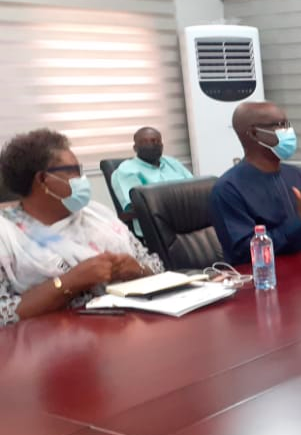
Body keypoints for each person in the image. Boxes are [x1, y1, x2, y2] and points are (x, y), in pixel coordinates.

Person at [0, 129, 164, 326]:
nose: (82, 179)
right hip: (51, 344)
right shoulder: (7, 234)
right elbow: (4, 314)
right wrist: (71, 282)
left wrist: (137, 269)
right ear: (43, 180)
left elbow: (157, 268)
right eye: (72, 171)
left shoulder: (97, 215)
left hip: (127, 329)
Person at [210, 102, 301, 264]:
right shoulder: (229, 189)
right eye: (280, 125)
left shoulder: (299, 175)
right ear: (254, 133)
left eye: (288, 124)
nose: (288, 131)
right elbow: (245, 253)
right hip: (268, 282)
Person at [111, 126, 194, 236]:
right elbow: (137, 205)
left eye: (155, 141)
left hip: (191, 221)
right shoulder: (126, 170)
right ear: (135, 148)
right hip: (158, 228)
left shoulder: (171, 162)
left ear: (162, 146)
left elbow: (194, 188)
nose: (151, 145)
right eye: (144, 142)